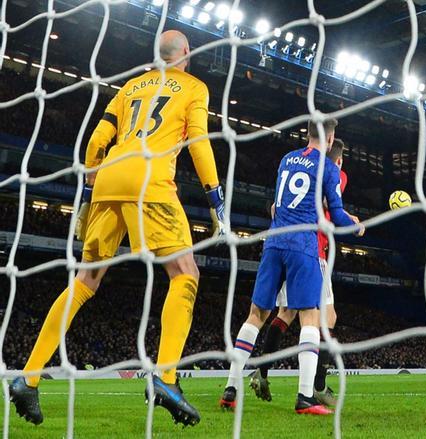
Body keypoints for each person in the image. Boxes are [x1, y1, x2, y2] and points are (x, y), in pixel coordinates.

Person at [9, 30, 225, 427]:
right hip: (150, 180)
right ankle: (166, 377)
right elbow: (199, 143)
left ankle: (29, 376)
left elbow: (96, 141)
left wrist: (88, 199)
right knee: (184, 274)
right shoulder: (194, 87)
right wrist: (215, 199)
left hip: (107, 178)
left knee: (86, 280)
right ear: (187, 54)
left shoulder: (129, 87)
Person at [219, 119, 364, 415]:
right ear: (331, 136)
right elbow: (336, 213)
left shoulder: (287, 159)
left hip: (274, 242)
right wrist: (357, 227)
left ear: (307, 132)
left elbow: (276, 205)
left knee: (256, 314)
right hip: (303, 246)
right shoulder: (330, 167)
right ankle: (305, 397)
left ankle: (231, 389)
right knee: (311, 317)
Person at [250, 138, 356, 406]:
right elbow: (333, 208)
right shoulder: (335, 173)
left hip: (284, 245)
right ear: (339, 159)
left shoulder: (297, 165)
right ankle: (317, 386)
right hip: (312, 250)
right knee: (326, 317)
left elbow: (276, 206)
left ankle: (261, 371)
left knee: (286, 312)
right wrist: (352, 221)